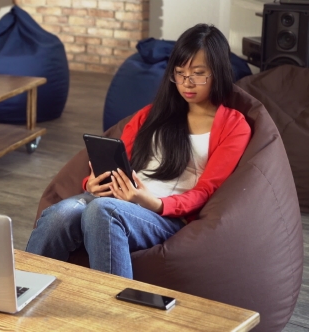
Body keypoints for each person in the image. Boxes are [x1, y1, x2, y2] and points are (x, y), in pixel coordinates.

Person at [25, 24, 252, 279]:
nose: (187, 83)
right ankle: (23, 290)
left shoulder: (234, 125)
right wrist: (93, 184)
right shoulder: (151, 114)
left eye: (198, 74)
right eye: (179, 73)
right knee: (59, 213)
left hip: (163, 214)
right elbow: (122, 161)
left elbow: (207, 190)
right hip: (121, 198)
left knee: (102, 211)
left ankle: (119, 314)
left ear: (218, 73)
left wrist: (152, 202)